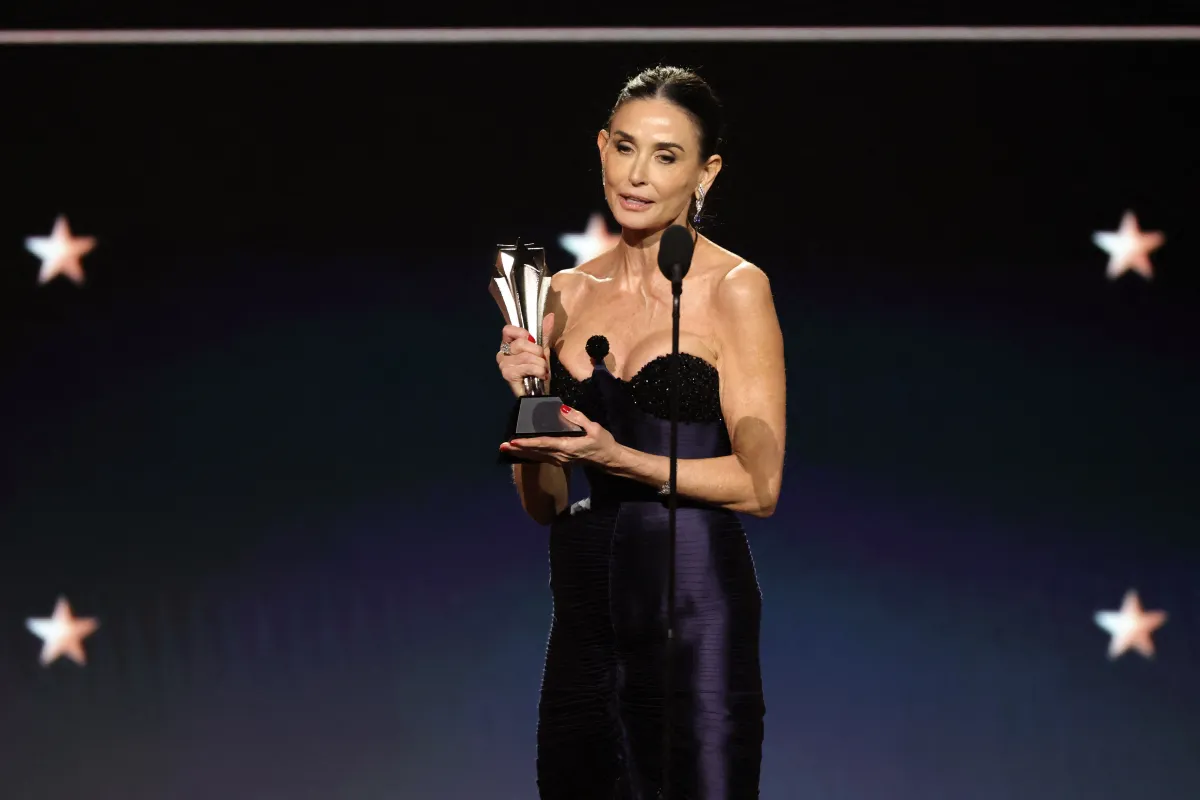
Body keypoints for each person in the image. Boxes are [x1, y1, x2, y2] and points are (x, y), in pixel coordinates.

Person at [495, 65, 786, 799]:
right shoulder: (559, 293)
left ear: (705, 172)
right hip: (587, 602)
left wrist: (618, 454)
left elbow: (760, 485)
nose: (637, 175)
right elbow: (545, 501)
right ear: (600, 148)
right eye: (624, 148)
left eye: (666, 156)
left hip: (691, 601)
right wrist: (524, 397)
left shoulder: (735, 289)